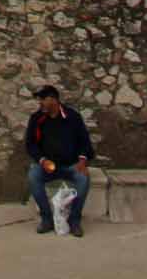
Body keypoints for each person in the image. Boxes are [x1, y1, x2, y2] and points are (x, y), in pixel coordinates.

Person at [24, 84, 94, 236]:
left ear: (53, 99)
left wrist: (82, 161)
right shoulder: (37, 119)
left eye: (43, 99)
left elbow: (85, 142)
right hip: (48, 166)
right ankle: (47, 218)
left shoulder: (72, 117)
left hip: (71, 165)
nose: (40, 103)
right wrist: (42, 160)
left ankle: (74, 220)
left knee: (83, 180)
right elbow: (30, 144)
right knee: (33, 176)